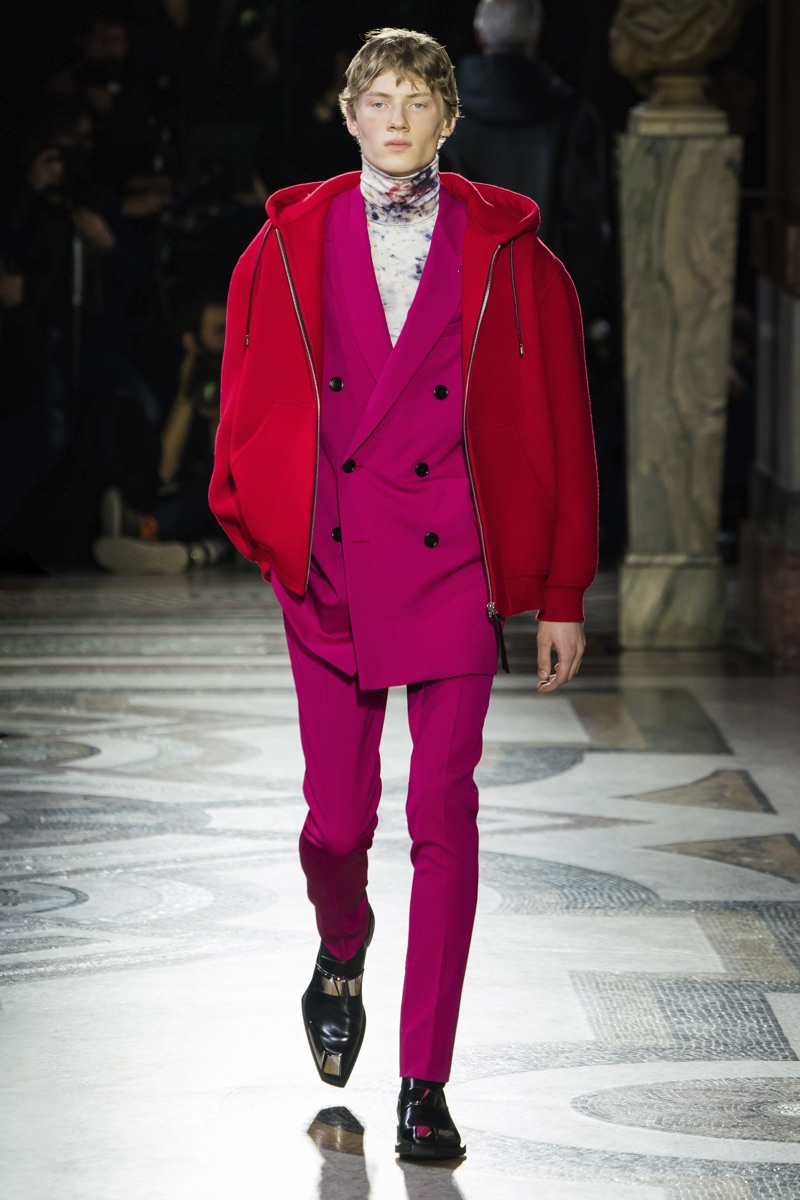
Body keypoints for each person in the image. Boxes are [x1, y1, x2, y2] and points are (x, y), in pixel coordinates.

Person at [209, 27, 598, 1160]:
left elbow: (563, 425)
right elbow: (246, 395)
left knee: (443, 815)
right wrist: (263, 523)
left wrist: (561, 589)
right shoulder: (284, 245)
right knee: (339, 824)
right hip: (331, 564)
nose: (395, 119)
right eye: (376, 100)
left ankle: (425, 1083)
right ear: (348, 116)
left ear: (446, 120)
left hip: (451, 564)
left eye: (416, 101)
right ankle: (342, 941)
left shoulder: (516, 256)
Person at [442, 0, 609, 318]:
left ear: (479, 34)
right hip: (544, 303)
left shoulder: (436, 116)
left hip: (462, 308)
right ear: (535, 35)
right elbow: (584, 225)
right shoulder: (573, 118)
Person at [93, 294, 229, 573]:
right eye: (220, 331)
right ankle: (185, 550)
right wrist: (187, 397)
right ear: (191, 340)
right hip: (190, 503)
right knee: (203, 488)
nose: (231, 338)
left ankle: (145, 531)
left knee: (226, 482)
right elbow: (164, 473)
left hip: (241, 510)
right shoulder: (167, 386)